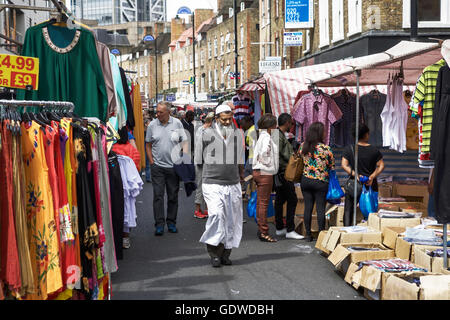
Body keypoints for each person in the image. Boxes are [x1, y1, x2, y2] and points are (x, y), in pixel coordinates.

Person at [198, 104, 245, 267]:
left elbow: (240, 158)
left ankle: (225, 253)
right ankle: (213, 252)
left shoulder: (238, 134)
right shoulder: (206, 134)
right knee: (217, 215)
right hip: (212, 182)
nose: (227, 122)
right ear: (217, 118)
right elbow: (198, 160)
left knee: (231, 220)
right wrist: (198, 185)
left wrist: (242, 176)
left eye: (230, 119)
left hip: (233, 183)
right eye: (224, 119)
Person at [146, 101, 188, 236]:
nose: (157, 114)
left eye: (160, 112)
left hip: (173, 167)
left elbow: (185, 142)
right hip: (157, 167)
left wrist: (184, 159)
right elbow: (148, 144)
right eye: (157, 112)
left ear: (168, 112)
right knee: (158, 196)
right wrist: (151, 162)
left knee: (172, 196)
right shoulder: (152, 125)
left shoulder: (177, 123)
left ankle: (171, 222)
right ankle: (159, 224)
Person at [342, 124, 385, 226]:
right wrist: (371, 176)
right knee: (371, 211)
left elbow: (344, 165)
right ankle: (369, 232)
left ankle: (347, 232)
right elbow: (381, 166)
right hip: (370, 184)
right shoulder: (374, 150)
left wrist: (355, 174)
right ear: (366, 135)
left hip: (354, 184)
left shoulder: (350, 149)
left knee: (348, 210)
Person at [299, 122, 335, 242]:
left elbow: (299, 160)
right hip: (321, 181)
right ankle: (321, 236)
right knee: (320, 209)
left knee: (308, 207)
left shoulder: (303, 146)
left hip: (306, 180)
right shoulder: (326, 149)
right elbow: (332, 166)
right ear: (320, 133)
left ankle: (308, 235)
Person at [111, 127, 142, 249]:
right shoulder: (131, 149)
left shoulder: (111, 149)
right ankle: (125, 238)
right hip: (129, 184)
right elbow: (137, 165)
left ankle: (115, 236)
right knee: (128, 209)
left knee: (116, 209)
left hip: (115, 183)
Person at [275, 114, 304, 240]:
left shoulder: (278, 135)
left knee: (280, 200)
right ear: (287, 123)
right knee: (292, 199)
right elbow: (285, 155)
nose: (291, 126)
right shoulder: (278, 136)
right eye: (291, 123)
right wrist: (295, 157)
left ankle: (280, 227)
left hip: (280, 172)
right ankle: (290, 229)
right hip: (283, 172)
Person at [253, 113, 279, 243]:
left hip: (258, 171)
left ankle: (261, 229)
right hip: (264, 172)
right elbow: (264, 153)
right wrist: (268, 162)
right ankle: (263, 231)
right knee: (263, 203)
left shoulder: (261, 136)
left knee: (260, 202)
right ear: (271, 126)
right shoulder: (267, 137)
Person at [193, 112, 215, 219]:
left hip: (200, 161)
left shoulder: (200, 129)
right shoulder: (207, 131)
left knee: (203, 185)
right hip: (202, 162)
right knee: (202, 186)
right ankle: (197, 210)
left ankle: (203, 209)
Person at [144, 118, 152, 182]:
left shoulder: (150, 131)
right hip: (145, 146)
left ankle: (148, 177)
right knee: (147, 162)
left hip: (148, 146)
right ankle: (148, 177)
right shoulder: (144, 131)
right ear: (146, 124)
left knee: (148, 162)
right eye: (149, 123)